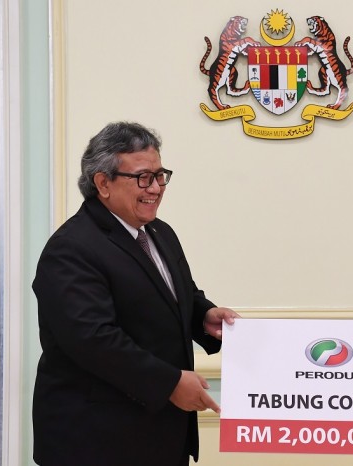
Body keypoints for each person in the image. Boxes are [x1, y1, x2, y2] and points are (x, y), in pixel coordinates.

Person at [32, 121, 239, 466]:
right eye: (143, 177)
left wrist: (203, 315)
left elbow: (174, 294)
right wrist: (170, 383)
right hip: (95, 443)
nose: (156, 188)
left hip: (159, 436)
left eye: (160, 176)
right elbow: (92, 339)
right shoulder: (71, 248)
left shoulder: (159, 232)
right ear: (103, 183)